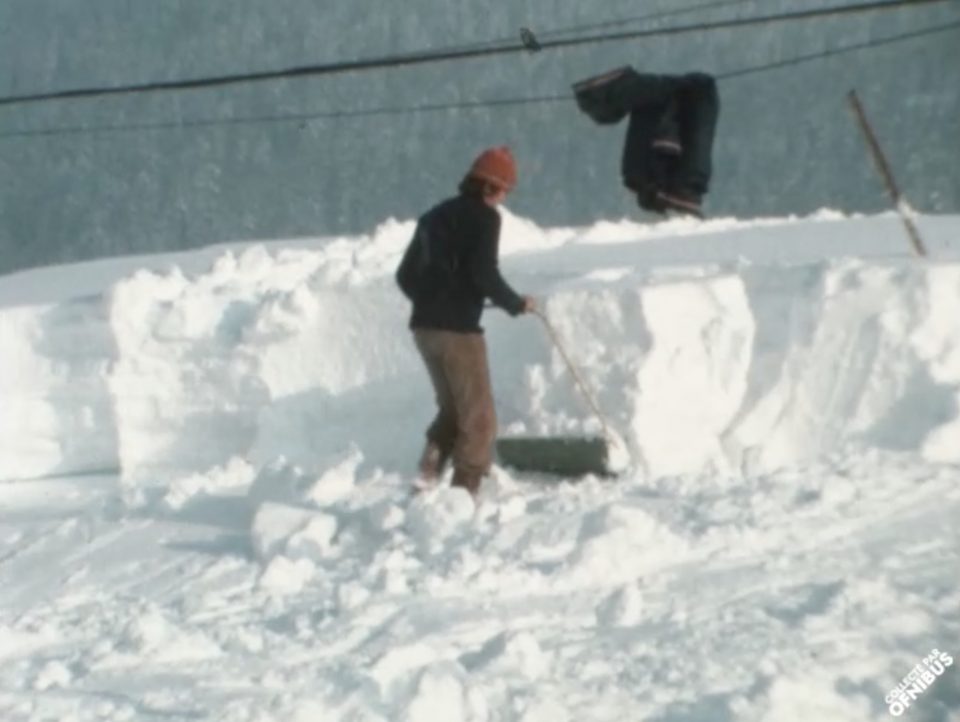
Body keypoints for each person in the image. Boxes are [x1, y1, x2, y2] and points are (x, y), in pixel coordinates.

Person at [396, 146, 535, 497]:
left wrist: (432, 301)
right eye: (506, 190)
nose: (505, 198)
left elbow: (404, 276)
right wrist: (515, 303)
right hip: (458, 333)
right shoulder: (486, 219)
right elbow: (484, 273)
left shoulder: (434, 216)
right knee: (480, 419)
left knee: (452, 410)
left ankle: (425, 479)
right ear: (493, 186)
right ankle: (463, 494)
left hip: (423, 329)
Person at [573, 66, 719, 217]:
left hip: (662, 176)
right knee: (697, 88)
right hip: (666, 178)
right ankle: (599, 94)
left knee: (694, 88)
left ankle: (599, 94)